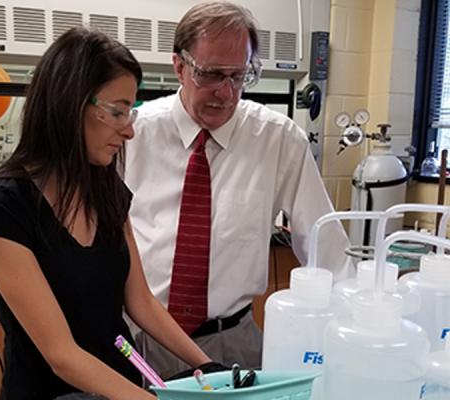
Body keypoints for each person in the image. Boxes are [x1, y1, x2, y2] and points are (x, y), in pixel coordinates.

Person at [0, 27, 216, 400]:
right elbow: (61, 354)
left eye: (129, 112)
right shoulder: (4, 207)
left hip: (123, 383)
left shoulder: (107, 190)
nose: (129, 130)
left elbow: (141, 303)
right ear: (69, 104)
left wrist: (206, 366)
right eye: (117, 112)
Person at [123, 1, 354, 378]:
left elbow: (327, 249)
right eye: (211, 75)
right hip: (144, 337)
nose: (226, 93)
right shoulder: (134, 133)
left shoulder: (278, 140)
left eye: (238, 76)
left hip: (232, 341)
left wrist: (354, 333)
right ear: (179, 67)